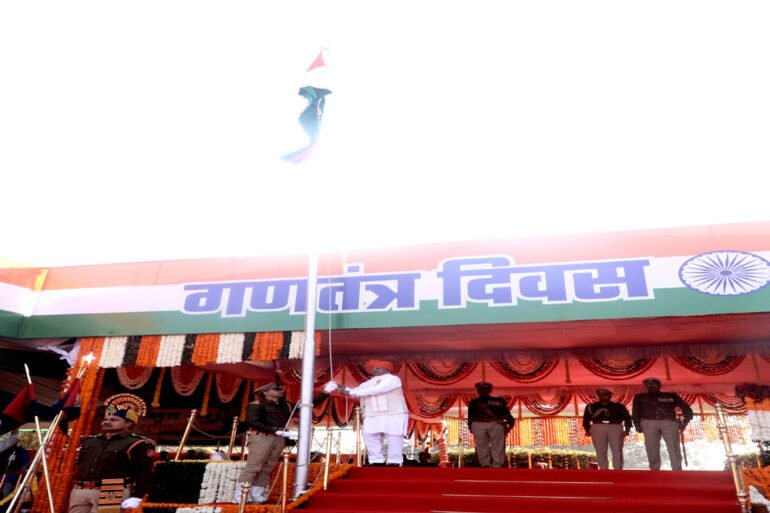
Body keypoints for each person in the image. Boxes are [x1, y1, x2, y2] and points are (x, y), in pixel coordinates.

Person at [70, 394, 154, 513]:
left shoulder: (136, 443)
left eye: (113, 420)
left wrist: (137, 496)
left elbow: (145, 472)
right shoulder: (89, 441)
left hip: (112, 489)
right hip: (81, 489)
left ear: (128, 423)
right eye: (105, 419)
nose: (107, 422)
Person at [336, 360, 408, 466]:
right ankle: (376, 461)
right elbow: (357, 391)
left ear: (386, 369)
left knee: (394, 437)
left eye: (377, 368)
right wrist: (343, 389)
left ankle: (394, 461)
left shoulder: (393, 379)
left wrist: (350, 392)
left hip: (394, 413)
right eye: (373, 368)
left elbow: (378, 389)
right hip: (372, 414)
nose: (374, 370)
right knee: (370, 436)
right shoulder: (368, 383)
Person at [233, 383, 295, 504]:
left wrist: (325, 392)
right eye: (275, 389)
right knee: (254, 466)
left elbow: (307, 404)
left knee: (267, 467)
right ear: (266, 392)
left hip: (279, 437)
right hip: (262, 437)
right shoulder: (257, 405)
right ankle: (240, 495)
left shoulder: (285, 405)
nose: (280, 391)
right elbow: (252, 422)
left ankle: (256, 494)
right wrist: (274, 430)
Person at [632, 377, 693, 471]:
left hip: (668, 422)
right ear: (645, 386)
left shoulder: (671, 395)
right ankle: (655, 470)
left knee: (673, 446)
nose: (651, 385)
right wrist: (637, 425)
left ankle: (677, 470)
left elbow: (686, 408)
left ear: (659, 385)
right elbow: (635, 412)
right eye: (648, 384)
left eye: (654, 384)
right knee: (651, 447)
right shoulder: (639, 397)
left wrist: (685, 422)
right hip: (648, 422)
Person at [467, 381, 514, 468]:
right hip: (478, 423)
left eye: (484, 389)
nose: (482, 390)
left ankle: (497, 464)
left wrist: (510, 423)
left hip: (495, 423)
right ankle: (485, 464)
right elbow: (470, 415)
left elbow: (506, 413)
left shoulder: (498, 400)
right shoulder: (473, 402)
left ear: (489, 390)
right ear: (477, 391)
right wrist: (470, 426)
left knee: (498, 444)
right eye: (480, 389)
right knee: (481, 445)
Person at [582, 388, 632, 470]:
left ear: (610, 396)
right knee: (600, 450)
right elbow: (586, 419)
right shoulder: (591, 406)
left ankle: (618, 469)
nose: (602, 396)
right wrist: (587, 429)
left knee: (617, 449)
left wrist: (627, 429)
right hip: (598, 427)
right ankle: (603, 469)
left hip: (614, 426)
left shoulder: (619, 406)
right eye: (600, 395)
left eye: (605, 395)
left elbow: (627, 418)